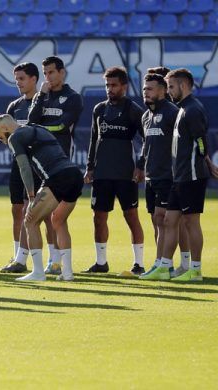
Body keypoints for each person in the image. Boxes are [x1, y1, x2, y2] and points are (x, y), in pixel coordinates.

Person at [142, 69, 218, 282]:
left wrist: (205, 162)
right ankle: (165, 266)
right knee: (168, 220)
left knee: (191, 222)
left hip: (192, 175)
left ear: (183, 86)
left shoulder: (193, 109)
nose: (169, 92)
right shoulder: (182, 109)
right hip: (179, 176)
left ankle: (195, 270)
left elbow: (201, 141)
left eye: (172, 87)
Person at [0, 115, 84, 282]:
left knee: (30, 221)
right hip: (74, 174)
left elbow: (24, 168)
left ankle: (37, 272)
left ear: (5, 129)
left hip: (57, 177)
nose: (3, 142)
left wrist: (31, 196)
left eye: (0, 137)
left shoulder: (14, 137)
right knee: (59, 221)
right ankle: (68, 273)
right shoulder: (39, 128)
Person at [83, 67, 146, 276]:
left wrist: (140, 166)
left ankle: (139, 264)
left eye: (114, 85)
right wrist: (90, 167)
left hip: (126, 174)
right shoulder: (99, 109)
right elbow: (94, 139)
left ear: (124, 86)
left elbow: (148, 139)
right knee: (98, 218)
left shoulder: (134, 110)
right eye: (107, 85)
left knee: (131, 217)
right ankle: (101, 263)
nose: (110, 89)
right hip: (102, 174)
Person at [0, 62, 56, 274]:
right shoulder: (14, 106)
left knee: (46, 213)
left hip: (40, 165)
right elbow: (3, 134)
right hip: (19, 164)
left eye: (22, 78)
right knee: (19, 211)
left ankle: (54, 260)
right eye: (16, 79)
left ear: (34, 79)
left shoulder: (45, 102)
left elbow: (34, 125)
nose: (18, 83)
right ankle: (19, 258)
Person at [27, 55, 83, 274]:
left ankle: (56, 262)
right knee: (44, 216)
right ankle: (55, 261)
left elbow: (62, 126)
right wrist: (41, 95)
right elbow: (32, 120)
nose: (48, 77)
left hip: (60, 165)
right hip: (41, 163)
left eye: (51, 72)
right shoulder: (43, 96)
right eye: (45, 73)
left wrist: (40, 131)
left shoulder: (72, 98)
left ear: (62, 72)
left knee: (55, 217)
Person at [138, 73, 191, 278]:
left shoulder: (172, 113)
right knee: (157, 220)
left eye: (150, 89)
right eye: (144, 89)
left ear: (163, 90)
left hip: (169, 177)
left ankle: (165, 264)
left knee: (165, 219)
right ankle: (161, 264)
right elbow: (146, 145)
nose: (146, 92)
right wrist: (141, 166)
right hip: (152, 177)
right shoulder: (145, 116)